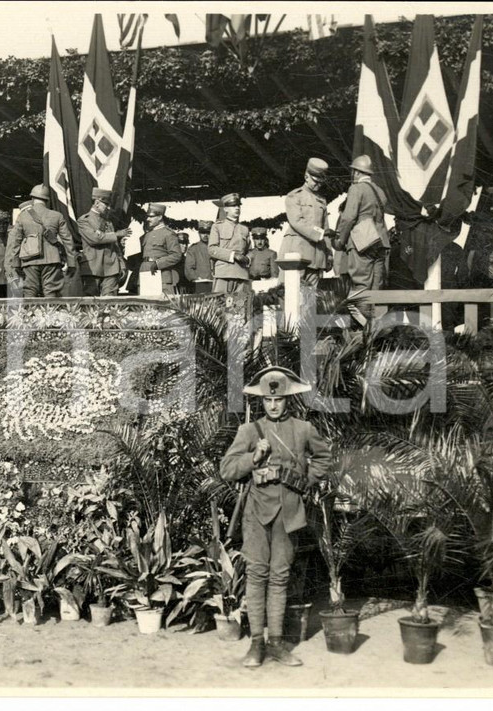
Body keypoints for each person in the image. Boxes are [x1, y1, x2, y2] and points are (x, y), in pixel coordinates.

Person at [220, 366, 331, 668]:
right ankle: (257, 644)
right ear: (262, 402)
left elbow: (323, 458)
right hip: (256, 514)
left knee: (280, 578)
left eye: (279, 400)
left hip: (288, 513)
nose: (273, 405)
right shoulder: (249, 431)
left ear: (287, 400)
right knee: (257, 577)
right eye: (268, 401)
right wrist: (253, 457)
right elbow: (227, 470)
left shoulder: (303, 429)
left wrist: (306, 481)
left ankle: (277, 644)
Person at [333, 155, 390, 297]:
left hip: (363, 241)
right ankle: (376, 319)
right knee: (377, 288)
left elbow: (348, 218)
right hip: (381, 241)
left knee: (360, 286)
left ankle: (362, 320)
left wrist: (341, 240)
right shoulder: (380, 191)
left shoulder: (356, 189)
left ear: (357, 172)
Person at [5, 184, 75, 298]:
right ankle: (50, 315)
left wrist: (15, 264)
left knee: (30, 290)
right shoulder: (57, 216)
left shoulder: (23, 216)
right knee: (51, 291)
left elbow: (15, 243)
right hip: (52, 259)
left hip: (29, 260)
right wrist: (71, 263)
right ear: (47, 200)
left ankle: (30, 315)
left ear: (32, 199)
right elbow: (68, 241)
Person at [283, 158, 333, 288]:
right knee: (293, 294)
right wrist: (319, 234)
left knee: (311, 300)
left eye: (321, 182)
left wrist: (329, 254)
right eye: (316, 181)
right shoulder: (294, 196)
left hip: (317, 257)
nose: (319, 185)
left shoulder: (322, 200)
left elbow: (325, 228)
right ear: (306, 176)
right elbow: (296, 221)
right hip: (299, 253)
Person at [77, 187, 130, 297]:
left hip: (111, 267)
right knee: (90, 303)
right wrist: (116, 234)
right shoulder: (84, 220)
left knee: (110, 302)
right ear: (97, 203)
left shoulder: (108, 222)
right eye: (106, 204)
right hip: (92, 268)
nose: (109, 208)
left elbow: (115, 246)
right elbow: (94, 239)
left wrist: (121, 264)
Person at [208, 193, 252, 293]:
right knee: (220, 306)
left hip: (241, 274)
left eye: (238, 205)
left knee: (240, 306)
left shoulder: (244, 229)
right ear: (226, 209)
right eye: (233, 206)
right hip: (224, 274)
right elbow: (212, 249)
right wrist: (233, 255)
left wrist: (248, 259)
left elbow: (250, 250)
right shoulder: (217, 227)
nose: (237, 208)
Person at [139, 203, 182, 295]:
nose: (148, 219)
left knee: (163, 305)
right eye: (148, 216)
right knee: (147, 305)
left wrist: (158, 264)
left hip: (161, 274)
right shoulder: (147, 235)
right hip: (145, 272)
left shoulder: (168, 234)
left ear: (159, 217)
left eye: (151, 217)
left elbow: (176, 255)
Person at [183, 220, 214, 294]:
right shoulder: (194, 249)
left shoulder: (217, 248)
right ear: (199, 233)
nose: (205, 235)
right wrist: (197, 278)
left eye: (208, 232)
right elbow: (189, 268)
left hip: (217, 284)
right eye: (203, 232)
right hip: (201, 285)